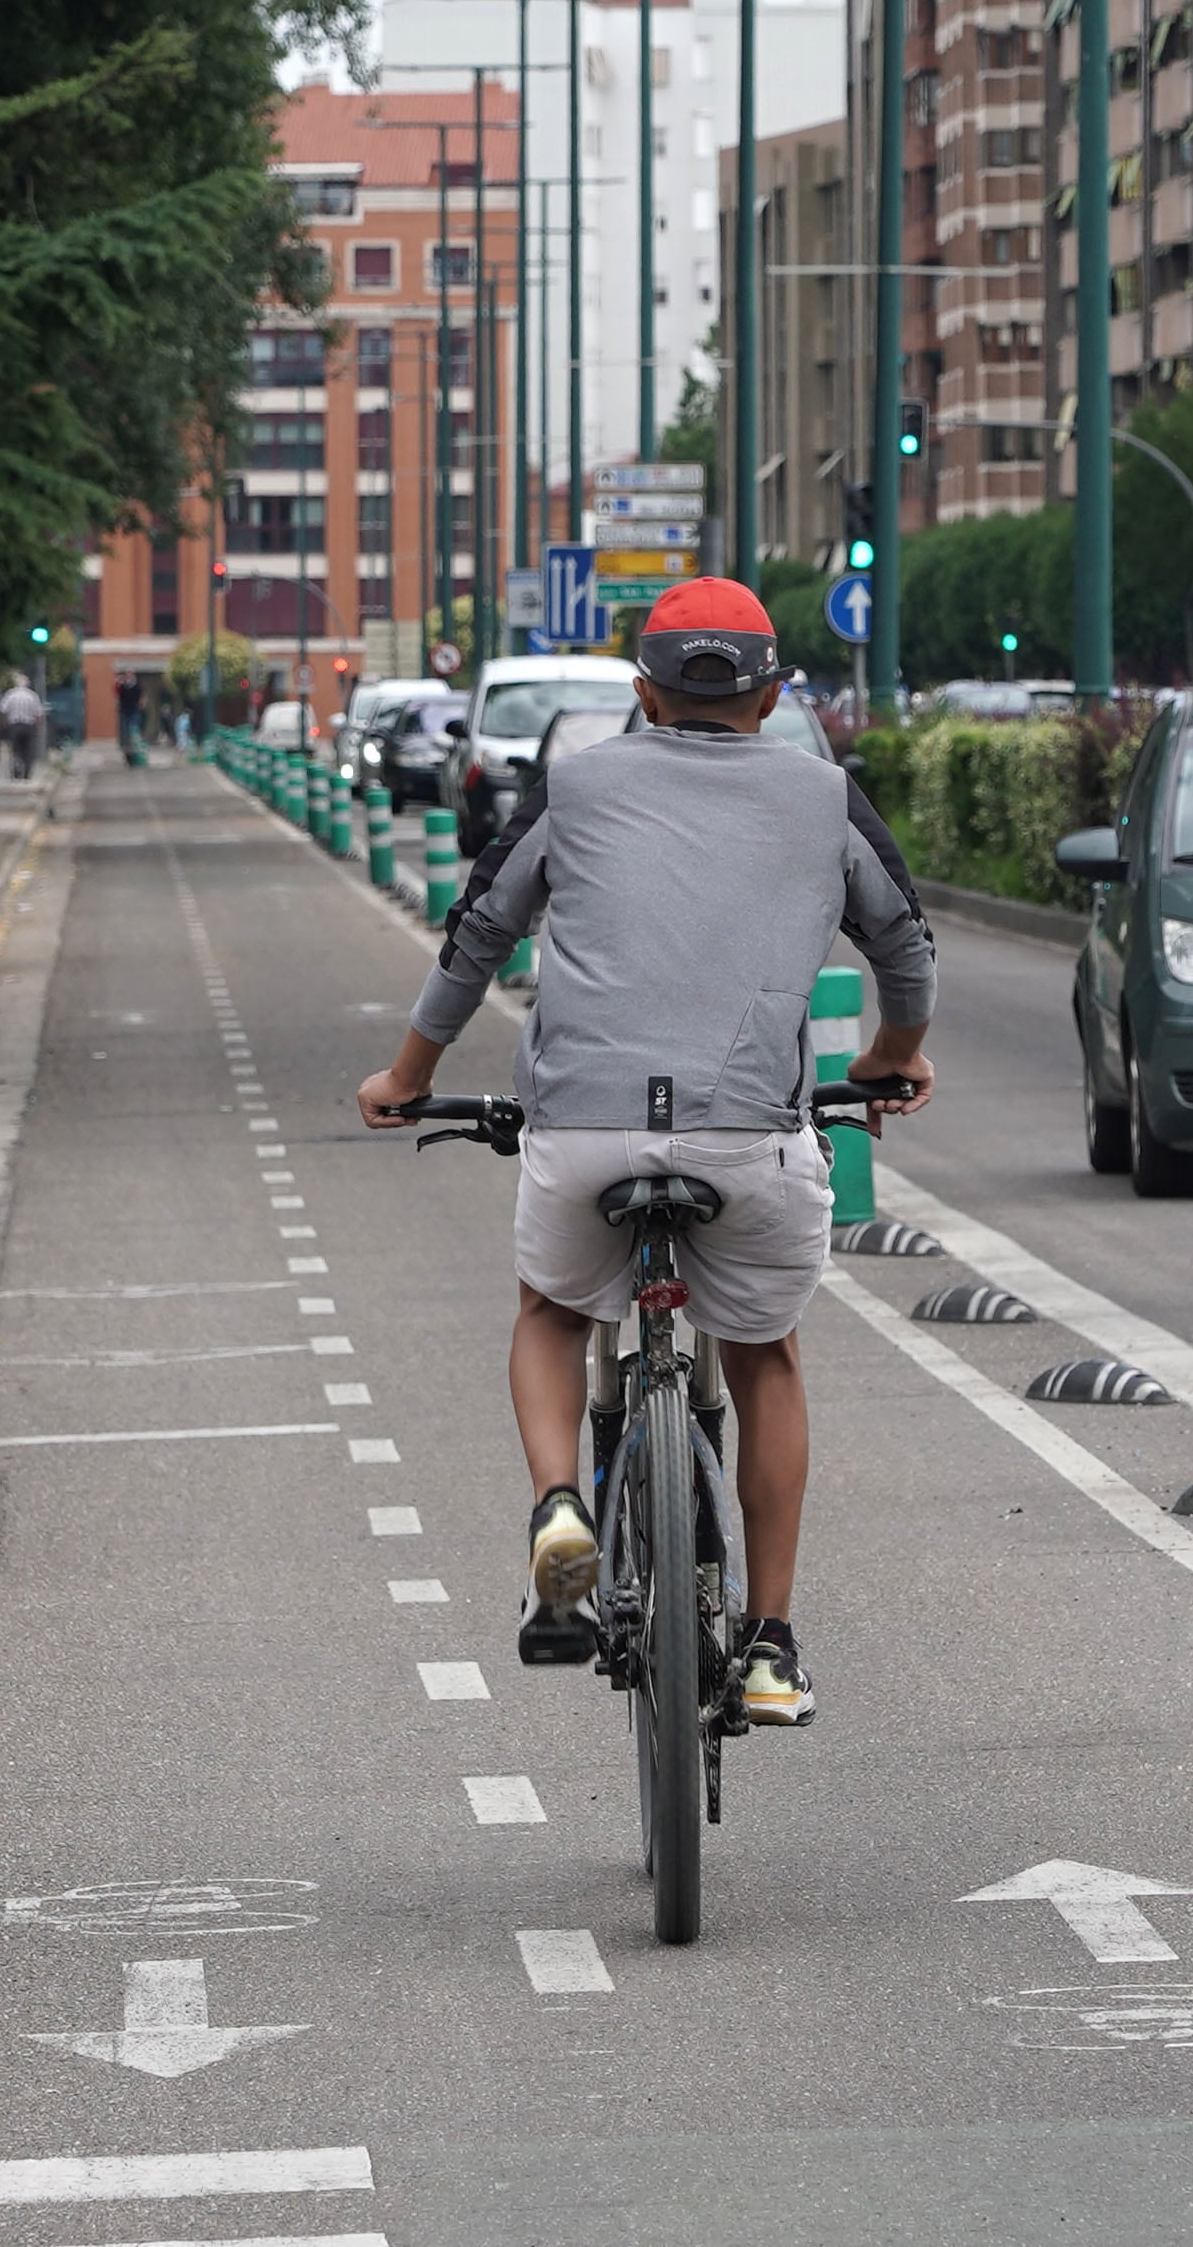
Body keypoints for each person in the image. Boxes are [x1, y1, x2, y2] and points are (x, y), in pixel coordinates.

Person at [355, 576, 937, 1726]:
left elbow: (477, 932)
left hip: (581, 1130)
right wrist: (890, 1057)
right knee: (763, 1352)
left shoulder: (571, 785)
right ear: (771, 694)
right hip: (747, 1140)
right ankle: (768, 1643)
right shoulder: (823, 795)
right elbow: (904, 946)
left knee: (552, 1312)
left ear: (641, 692)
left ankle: (560, 1504)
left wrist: (406, 1079)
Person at [0, 672, 45, 777]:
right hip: (29, 725)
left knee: (15, 749)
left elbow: (2, 710)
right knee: (28, 749)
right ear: (27, 684)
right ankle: (27, 772)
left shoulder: (10, 694)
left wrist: (3, 723)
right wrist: (38, 727)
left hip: (14, 725)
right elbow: (38, 714)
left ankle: (16, 768)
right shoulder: (32, 695)